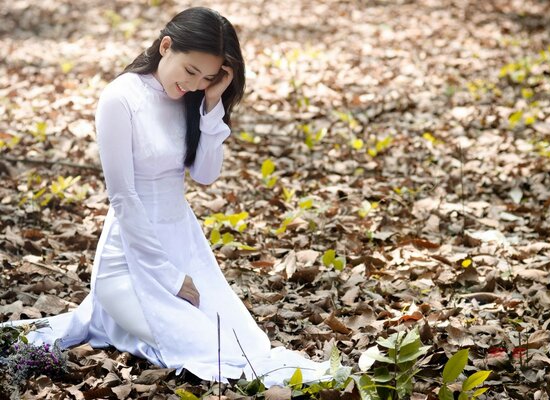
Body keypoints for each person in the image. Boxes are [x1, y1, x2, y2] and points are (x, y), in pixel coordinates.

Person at [4, 7, 328, 387]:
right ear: (166, 46)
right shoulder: (120, 98)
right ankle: (112, 317)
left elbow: (206, 175)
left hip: (184, 246)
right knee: (208, 351)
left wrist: (211, 105)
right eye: (191, 71)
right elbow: (123, 197)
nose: (194, 84)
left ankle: (116, 326)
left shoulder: (192, 99)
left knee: (244, 345)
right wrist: (169, 278)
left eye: (207, 77)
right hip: (127, 263)